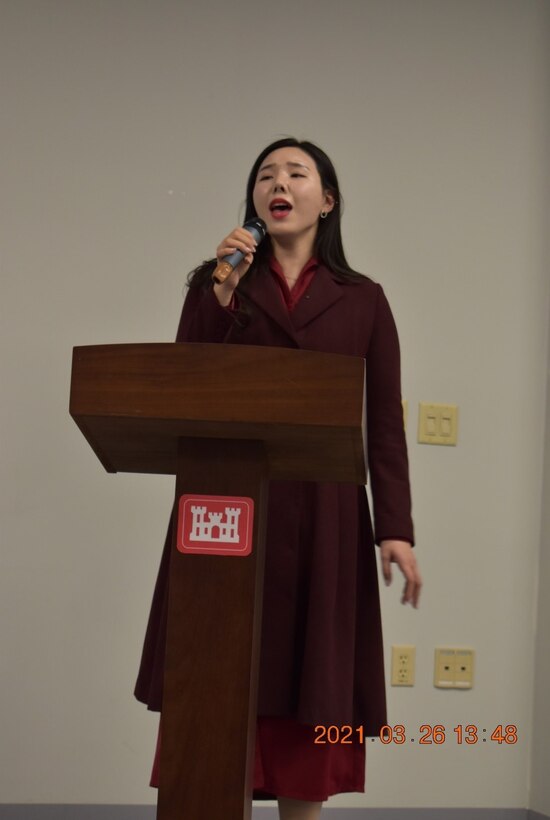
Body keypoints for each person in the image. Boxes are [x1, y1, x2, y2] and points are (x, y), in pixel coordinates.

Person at [135, 137, 421, 820]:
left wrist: (398, 531)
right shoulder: (220, 281)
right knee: (220, 680)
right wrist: (223, 290)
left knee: (313, 683)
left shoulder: (365, 300)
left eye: (296, 173)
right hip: (233, 513)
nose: (278, 183)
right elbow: (186, 382)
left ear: (327, 200)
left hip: (327, 518)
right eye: (265, 175)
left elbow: (382, 422)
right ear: (255, 200)